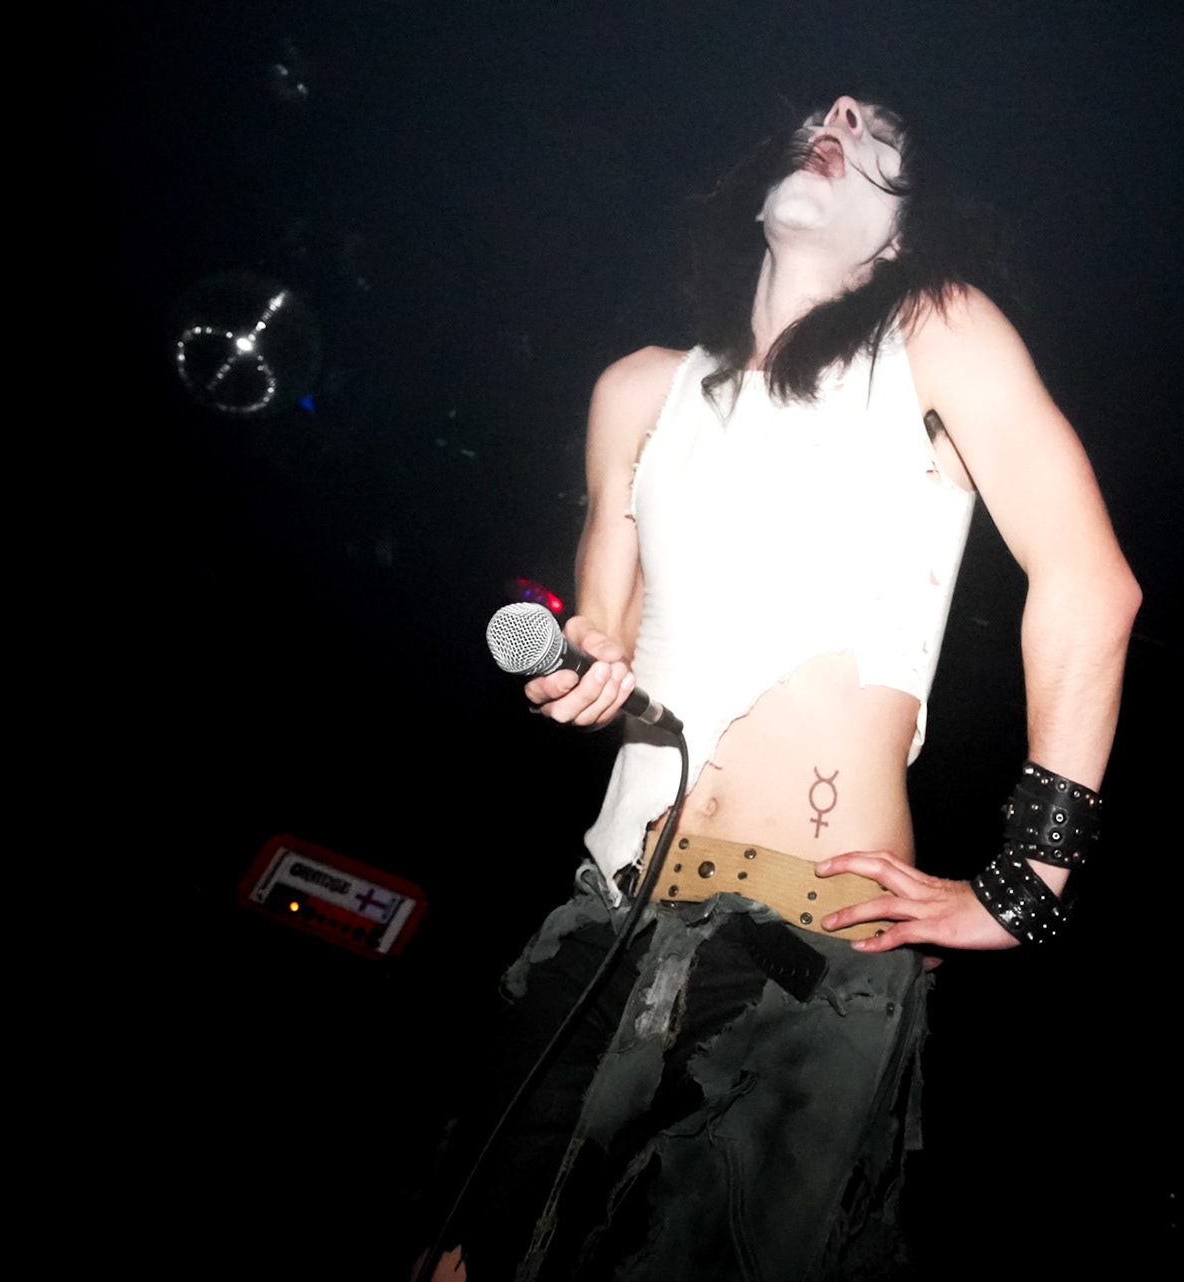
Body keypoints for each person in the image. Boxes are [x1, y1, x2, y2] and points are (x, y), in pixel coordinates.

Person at [434, 94, 1140, 1280]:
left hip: (806, 951)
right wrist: (580, 674)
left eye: (880, 133)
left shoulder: (937, 329)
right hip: (608, 921)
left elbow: (1087, 581)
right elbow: (607, 627)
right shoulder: (637, 389)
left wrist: (1033, 881)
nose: (843, 113)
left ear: (903, 235)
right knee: (467, 1256)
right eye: (825, 113)